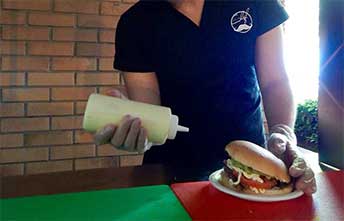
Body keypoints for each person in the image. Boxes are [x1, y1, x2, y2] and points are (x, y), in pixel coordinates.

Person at [94, 0, 316, 195]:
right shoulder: (135, 23)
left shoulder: (256, 2)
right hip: (170, 173)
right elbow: (148, 105)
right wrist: (141, 132)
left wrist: (283, 133)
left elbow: (274, 81)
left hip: (250, 167)